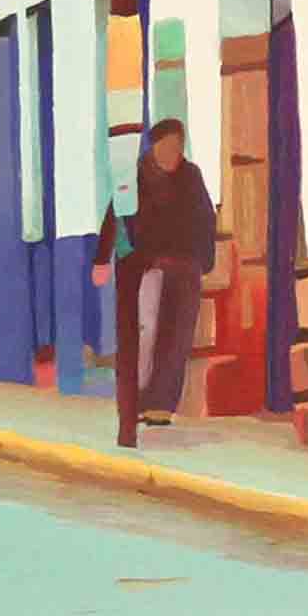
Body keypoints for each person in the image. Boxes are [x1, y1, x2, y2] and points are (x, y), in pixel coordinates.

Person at [93, 119, 224, 429]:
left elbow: (206, 219)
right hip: (149, 265)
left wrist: (203, 261)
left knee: (178, 337)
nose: (172, 153)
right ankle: (137, 400)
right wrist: (101, 259)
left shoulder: (191, 176)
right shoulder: (136, 175)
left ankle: (162, 405)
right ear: (154, 147)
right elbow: (115, 215)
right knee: (146, 332)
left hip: (184, 267)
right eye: (167, 146)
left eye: (177, 146)